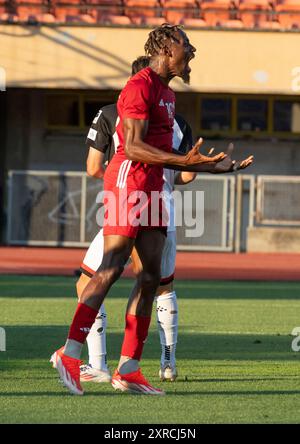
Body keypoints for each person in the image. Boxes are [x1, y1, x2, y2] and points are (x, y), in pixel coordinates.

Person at [50, 23, 252, 396]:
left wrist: (209, 166)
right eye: (186, 44)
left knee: (150, 278)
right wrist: (181, 159)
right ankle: (71, 353)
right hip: (129, 183)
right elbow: (134, 147)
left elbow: (167, 159)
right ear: (165, 47)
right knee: (110, 268)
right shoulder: (139, 86)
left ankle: (128, 368)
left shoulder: (166, 94)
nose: (192, 50)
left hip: (155, 188)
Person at [77, 56, 197, 385]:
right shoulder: (178, 121)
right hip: (163, 208)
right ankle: (166, 362)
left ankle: (97, 363)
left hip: (124, 203)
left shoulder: (110, 112)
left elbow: (92, 167)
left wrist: (117, 183)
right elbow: (187, 176)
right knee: (159, 286)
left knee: (91, 279)